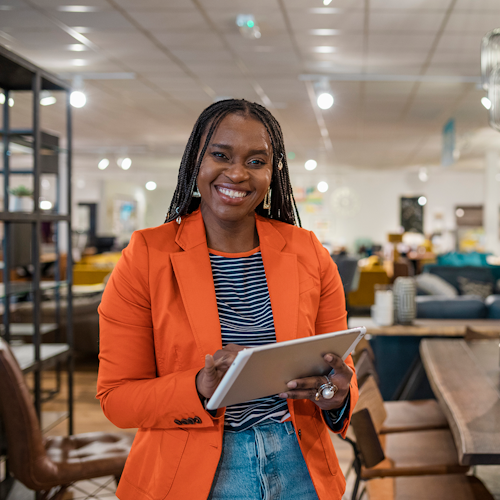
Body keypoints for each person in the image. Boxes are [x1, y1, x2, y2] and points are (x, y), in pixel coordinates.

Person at [97, 99, 359, 500]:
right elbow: (117, 399)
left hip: (300, 465)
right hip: (192, 472)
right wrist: (200, 387)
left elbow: (340, 369)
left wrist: (338, 394)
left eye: (256, 161)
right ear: (195, 162)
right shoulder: (146, 256)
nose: (237, 173)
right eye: (220, 155)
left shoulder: (308, 252)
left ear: (273, 173)